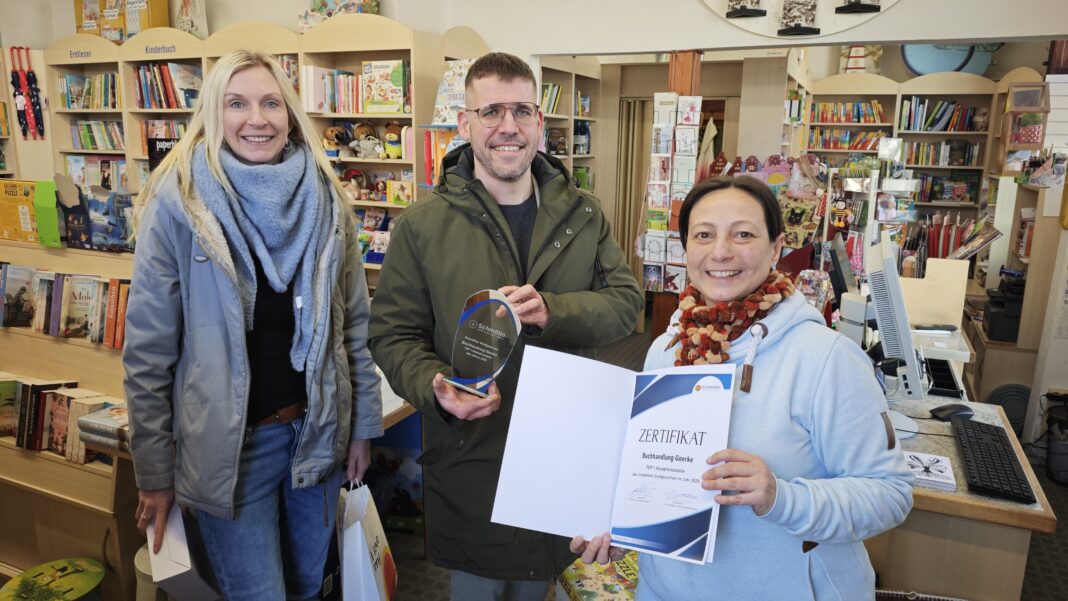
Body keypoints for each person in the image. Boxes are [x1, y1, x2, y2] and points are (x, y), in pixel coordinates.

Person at [368, 52, 643, 600]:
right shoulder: (423, 226)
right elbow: (392, 334)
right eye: (491, 111)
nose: (508, 126)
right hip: (473, 453)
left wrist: (553, 312)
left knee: (544, 579)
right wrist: (435, 387)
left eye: (521, 110)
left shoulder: (584, 213)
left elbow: (625, 304)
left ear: (540, 121)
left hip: (562, 446)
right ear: (465, 123)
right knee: (479, 584)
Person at [571, 176, 913, 600]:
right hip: (666, 590)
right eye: (704, 235)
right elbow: (656, 484)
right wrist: (628, 529)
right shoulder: (667, 349)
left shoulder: (826, 358)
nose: (721, 252)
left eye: (743, 235)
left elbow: (889, 494)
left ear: (776, 247)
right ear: (685, 248)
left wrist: (780, 497)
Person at [123, 50, 382, 601]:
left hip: (316, 431)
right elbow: (147, 353)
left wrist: (362, 426)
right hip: (232, 451)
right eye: (236, 104)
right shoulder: (180, 203)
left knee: (309, 585)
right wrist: (154, 472)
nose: (256, 119)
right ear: (213, 114)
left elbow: (353, 327)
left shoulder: (327, 199)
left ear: (290, 115)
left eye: (271, 103)